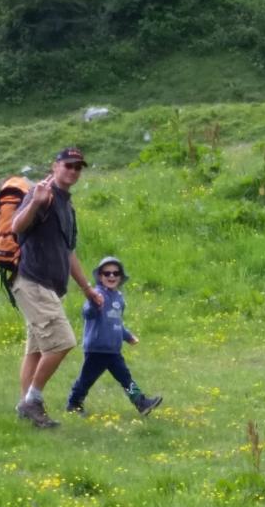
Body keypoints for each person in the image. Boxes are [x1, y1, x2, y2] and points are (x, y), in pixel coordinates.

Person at [11, 146, 103, 428]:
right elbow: (16, 226)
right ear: (55, 166)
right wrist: (36, 203)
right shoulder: (42, 194)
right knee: (63, 341)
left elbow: (68, 251)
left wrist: (87, 289)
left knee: (36, 351)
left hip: (50, 288)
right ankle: (32, 400)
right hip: (32, 282)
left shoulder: (67, 204)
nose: (73, 171)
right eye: (68, 165)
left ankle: (28, 411)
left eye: (78, 167)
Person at [66, 255, 162, 417]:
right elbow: (87, 314)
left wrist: (127, 336)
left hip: (113, 350)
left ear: (120, 277)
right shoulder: (96, 294)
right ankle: (74, 404)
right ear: (100, 276)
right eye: (107, 273)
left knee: (125, 378)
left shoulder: (119, 298)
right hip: (96, 349)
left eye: (115, 273)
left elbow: (116, 323)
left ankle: (141, 402)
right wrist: (93, 303)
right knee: (86, 379)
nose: (111, 276)